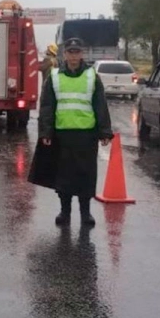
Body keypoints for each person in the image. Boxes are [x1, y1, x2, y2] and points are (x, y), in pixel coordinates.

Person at [37, 37, 113, 226]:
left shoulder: (92, 76)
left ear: (82, 54)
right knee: (63, 176)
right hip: (62, 134)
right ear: (65, 54)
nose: (73, 55)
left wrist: (105, 131)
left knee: (85, 175)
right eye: (70, 52)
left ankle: (85, 213)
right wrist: (46, 133)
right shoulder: (54, 76)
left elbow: (100, 105)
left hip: (86, 135)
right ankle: (65, 212)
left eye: (77, 52)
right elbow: (47, 107)